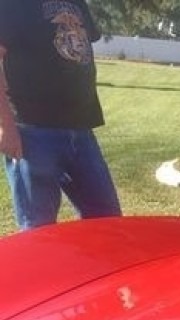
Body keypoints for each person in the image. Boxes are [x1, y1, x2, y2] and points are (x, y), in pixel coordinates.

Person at [0, 0, 121, 231]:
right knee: (38, 232)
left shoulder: (76, 2)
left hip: (81, 130)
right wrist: (5, 125)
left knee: (108, 223)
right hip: (33, 132)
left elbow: (80, 47)